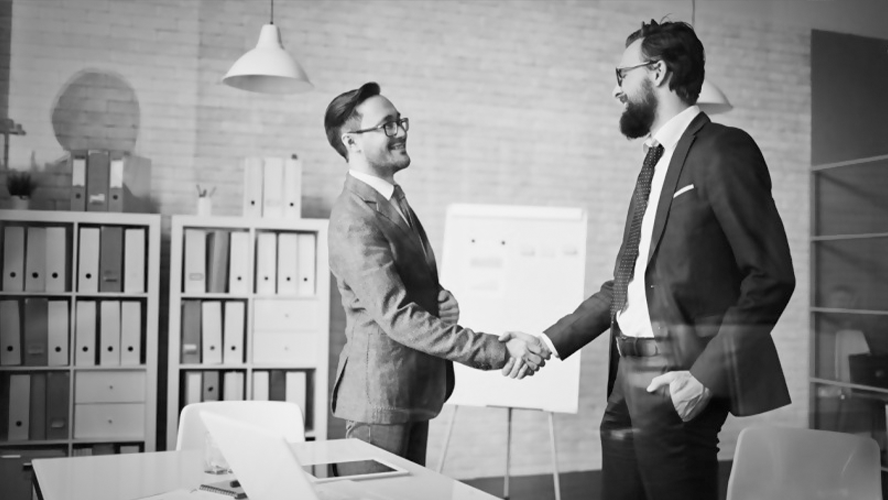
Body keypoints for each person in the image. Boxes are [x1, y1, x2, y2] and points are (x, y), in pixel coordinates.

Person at [522, 20, 796, 500]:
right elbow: (625, 284)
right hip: (626, 378)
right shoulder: (654, 162)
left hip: (678, 377)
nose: (616, 89)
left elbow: (770, 277)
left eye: (621, 74)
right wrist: (547, 340)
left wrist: (704, 378)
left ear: (659, 71)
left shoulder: (723, 151)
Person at [323, 82, 549, 466]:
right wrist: (497, 350)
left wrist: (438, 299)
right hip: (379, 400)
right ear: (352, 141)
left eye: (401, 122)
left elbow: (403, 288)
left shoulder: (393, 201)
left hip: (409, 392)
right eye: (388, 126)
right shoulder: (353, 217)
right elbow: (396, 315)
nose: (402, 132)